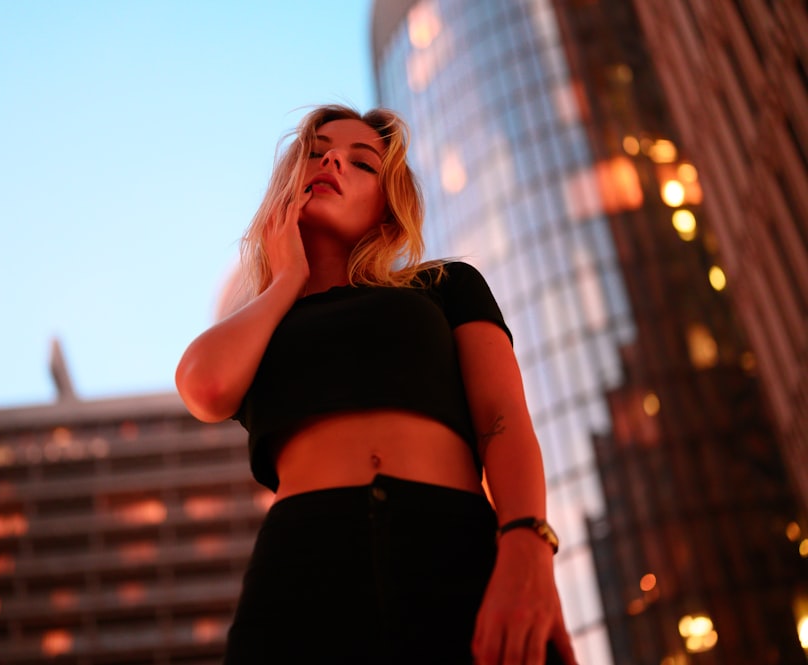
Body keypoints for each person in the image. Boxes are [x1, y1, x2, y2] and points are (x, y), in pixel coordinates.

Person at [175, 104, 577, 665]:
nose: (333, 158)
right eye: (316, 153)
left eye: (361, 162)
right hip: (302, 567)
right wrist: (288, 278)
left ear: (388, 211)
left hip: (453, 547)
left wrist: (528, 544)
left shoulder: (444, 286)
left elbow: (502, 419)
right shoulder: (265, 324)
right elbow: (206, 387)